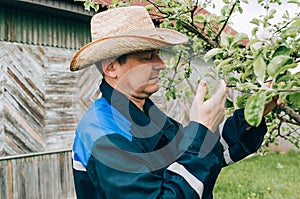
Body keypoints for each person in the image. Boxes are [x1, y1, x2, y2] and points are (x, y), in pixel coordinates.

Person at [70, 6, 278, 199]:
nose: (161, 64)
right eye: (146, 57)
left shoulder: (145, 114)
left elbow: (198, 152)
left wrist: (252, 114)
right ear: (111, 68)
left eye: (158, 55)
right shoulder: (103, 134)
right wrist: (202, 129)